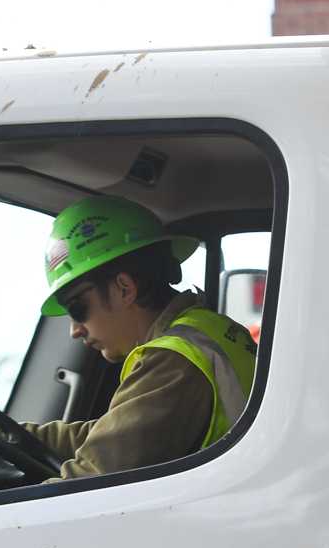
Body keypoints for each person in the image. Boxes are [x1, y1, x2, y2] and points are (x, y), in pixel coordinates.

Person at [22, 195, 259, 480]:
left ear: (124, 288)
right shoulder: (207, 331)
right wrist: (14, 437)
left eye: (77, 308)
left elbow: (89, 482)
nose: (74, 330)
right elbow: (110, 435)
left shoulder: (173, 361)